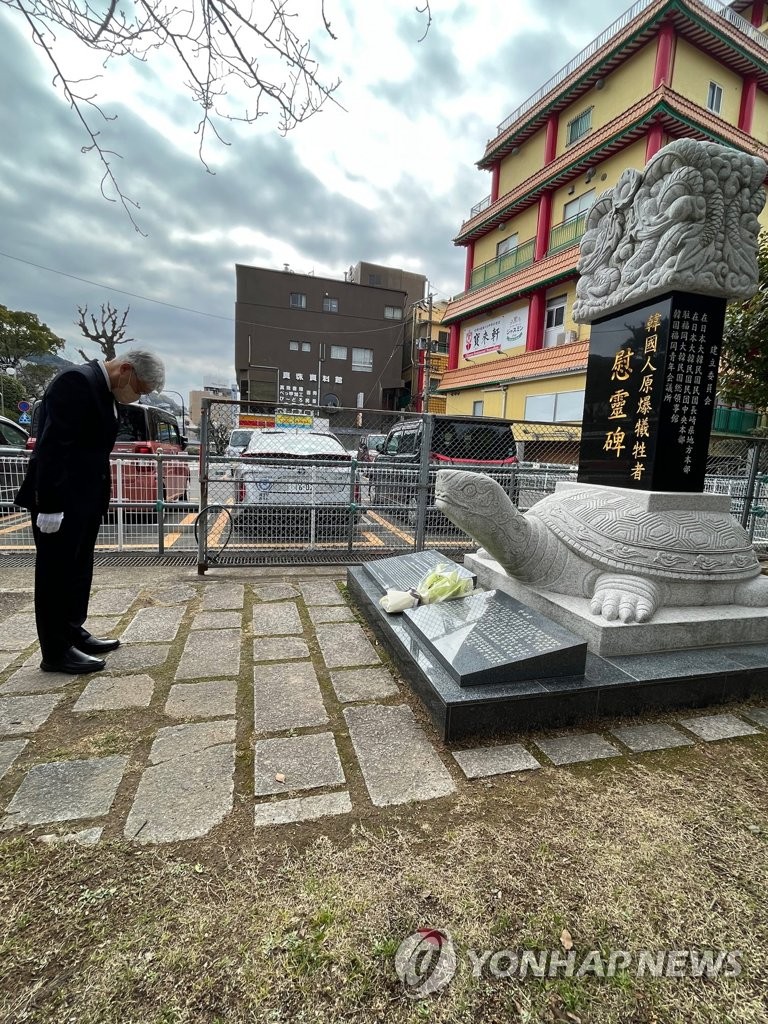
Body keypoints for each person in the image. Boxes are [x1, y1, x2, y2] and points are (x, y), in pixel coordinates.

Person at [15, 349, 166, 674]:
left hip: (85, 500)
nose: (136, 396)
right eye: (139, 388)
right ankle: (55, 652)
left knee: (78, 571)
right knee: (56, 575)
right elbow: (53, 445)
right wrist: (50, 506)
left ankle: (73, 631)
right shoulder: (76, 381)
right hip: (61, 501)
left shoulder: (103, 390)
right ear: (125, 369)